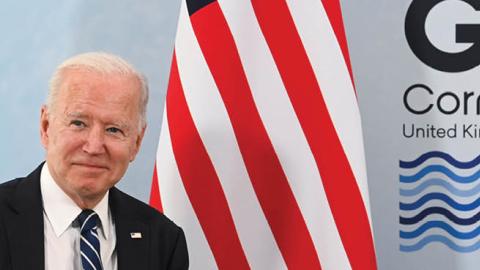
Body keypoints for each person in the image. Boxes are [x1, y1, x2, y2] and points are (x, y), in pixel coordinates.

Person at [0, 52, 188, 270]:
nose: (94, 146)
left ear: (136, 143)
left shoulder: (162, 240)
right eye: (79, 123)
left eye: (113, 129)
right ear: (45, 127)